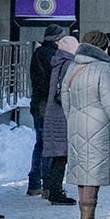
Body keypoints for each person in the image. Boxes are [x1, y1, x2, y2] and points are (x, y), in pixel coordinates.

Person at [63, 29, 110, 219]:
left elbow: (65, 97)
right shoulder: (103, 68)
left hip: (76, 123)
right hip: (99, 125)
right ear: (103, 47)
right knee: (94, 172)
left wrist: (73, 119)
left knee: (84, 171)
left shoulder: (73, 65)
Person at [27, 23, 66, 196]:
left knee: (40, 144)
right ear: (57, 38)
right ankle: (47, 185)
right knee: (49, 146)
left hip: (37, 104)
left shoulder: (37, 53)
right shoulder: (55, 56)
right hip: (49, 106)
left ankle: (34, 183)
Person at [41, 35, 79, 206]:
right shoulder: (69, 65)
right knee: (61, 156)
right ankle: (55, 191)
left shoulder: (58, 62)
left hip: (53, 112)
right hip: (62, 114)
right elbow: (67, 91)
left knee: (58, 155)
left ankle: (51, 188)